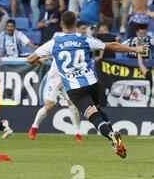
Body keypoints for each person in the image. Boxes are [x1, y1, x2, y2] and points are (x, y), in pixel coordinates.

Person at [27, 11, 145, 158]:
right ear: (75, 24)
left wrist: (46, 57)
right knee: (98, 110)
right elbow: (111, 45)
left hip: (75, 88)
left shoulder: (54, 43)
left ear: (61, 24)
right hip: (92, 82)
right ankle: (113, 138)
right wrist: (135, 49)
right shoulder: (84, 39)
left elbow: (30, 59)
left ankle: (111, 135)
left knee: (93, 117)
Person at [28, 37, 82, 142]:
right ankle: (34, 128)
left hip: (68, 79)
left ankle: (77, 133)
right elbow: (40, 57)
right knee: (48, 106)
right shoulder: (56, 44)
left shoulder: (78, 46)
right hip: (54, 79)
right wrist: (41, 60)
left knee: (72, 104)